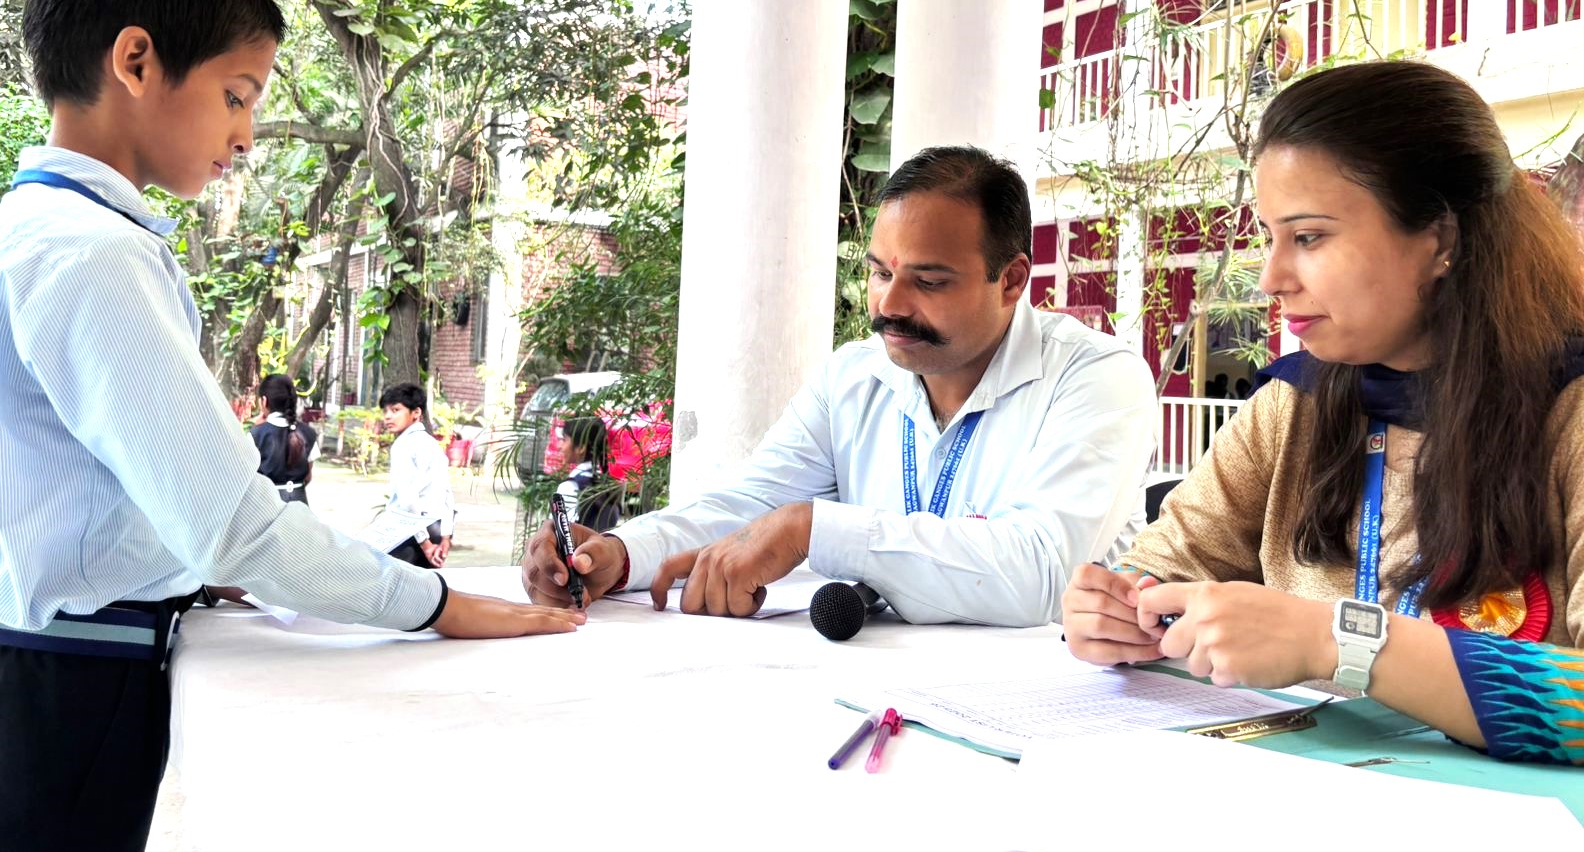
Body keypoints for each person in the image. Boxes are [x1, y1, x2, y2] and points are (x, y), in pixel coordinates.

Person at [0, 0, 583, 852]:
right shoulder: (90, 255)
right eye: (236, 94)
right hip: (70, 678)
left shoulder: (38, 231)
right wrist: (435, 603)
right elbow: (234, 525)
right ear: (136, 60)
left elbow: (101, 495)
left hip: (53, 660)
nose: (245, 136)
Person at [1063, 60, 1584, 765]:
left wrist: (1339, 641)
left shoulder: (1569, 406)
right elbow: (1166, 564)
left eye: (1308, 237)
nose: (1271, 278)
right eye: (1269, 237)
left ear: (1440, 240)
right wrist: (1120, 611)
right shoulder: (1293, 402)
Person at [524, 145, 1157, 626]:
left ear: (1012, 280)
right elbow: (752, 506)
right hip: (863, 692)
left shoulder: (1096, 377)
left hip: (1037, 710)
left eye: (929, 282)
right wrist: (619, 554)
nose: (891, 305)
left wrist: (815, 528)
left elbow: (1042, 575)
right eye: (880, 273)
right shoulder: (854, 375)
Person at [376, 382, 455, 568]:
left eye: (396, 410)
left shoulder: (403, 446)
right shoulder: (432, 443)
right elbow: (446, 492)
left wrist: (425, 544)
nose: (388, 416)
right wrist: (446, 537)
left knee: (397, 584)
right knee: (427, 584)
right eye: (386, 411)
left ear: (416, 413)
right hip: (435, 527)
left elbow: (408, 501)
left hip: (411, 532)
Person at [250, 373, 318, 503]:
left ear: (264, 401)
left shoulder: (256, 435)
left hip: (268, 505)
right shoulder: (309, 433)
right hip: (300, 503)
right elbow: (308, 476)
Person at [554, 415, 622, 534]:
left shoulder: (571, 487)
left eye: (564, 440)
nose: (560, 446)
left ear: (581, 447)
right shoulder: (608, 485)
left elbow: (562, 536)